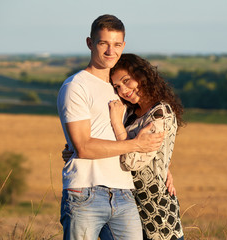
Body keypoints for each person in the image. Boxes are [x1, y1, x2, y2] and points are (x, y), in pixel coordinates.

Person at [57, 15, 164, 240]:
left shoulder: (120, 89)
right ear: (89, 43)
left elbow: (145, 127)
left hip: (125, 192)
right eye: (103, 43)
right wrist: (135, 145)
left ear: (123, 46)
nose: (110, 51)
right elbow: (84, 147)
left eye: (116, 45)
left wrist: (164, 165)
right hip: (85, 191)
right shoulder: (76, 86)